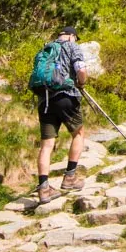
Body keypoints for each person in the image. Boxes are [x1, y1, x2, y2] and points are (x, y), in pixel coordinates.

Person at [36, 26, 88, 204]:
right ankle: (70, 177)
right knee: (78, 134)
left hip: (44, 100)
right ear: (72, 36)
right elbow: (81, 70)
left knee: (46, 145)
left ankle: (44, 189)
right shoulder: (72, 46)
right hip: (66, 96)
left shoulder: (46, 48)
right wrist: (81, 83)